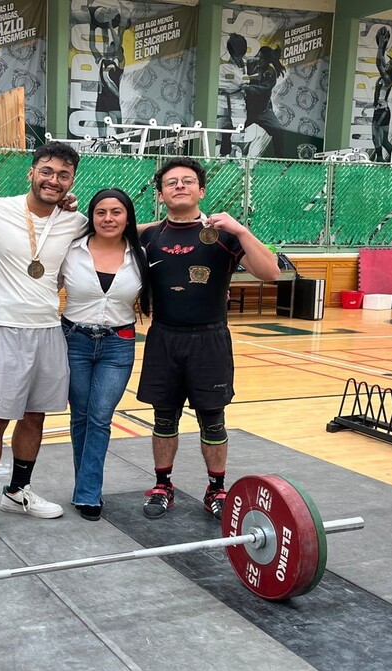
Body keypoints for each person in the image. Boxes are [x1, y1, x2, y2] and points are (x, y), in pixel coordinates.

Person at [136, 157, 280, 520]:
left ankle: (217, 488)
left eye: (188, 181)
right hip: (164, 339)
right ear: (161, 193)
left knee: (212, 420)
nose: (180, 186)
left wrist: (242, 230)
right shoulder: (149, 235)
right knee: (163, 419)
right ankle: (162, 484)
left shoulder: (226, 234)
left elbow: (271, 273)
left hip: (209, 339)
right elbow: (106, 227)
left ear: (201, 190)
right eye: (171, 182)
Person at [0, 142, 90, 536]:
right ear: (31, 172)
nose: (54, 180)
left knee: (36, 416)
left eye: (63, 175)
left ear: (71, 182)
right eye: (47, 171)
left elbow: (120, 228)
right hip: (3, 328)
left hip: (50, 330)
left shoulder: (76, 221)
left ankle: (18, 490)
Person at [60, 188, 149, 520]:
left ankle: (87, 493)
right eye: (101, 212)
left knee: (100, 417)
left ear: (127, 216)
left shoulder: (141, 254)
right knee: (81, 416)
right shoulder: (72, 251)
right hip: (74, 340)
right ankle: (86, 488)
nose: (108, 219)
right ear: (91, 216)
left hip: (118, 343)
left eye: (116, 212)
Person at [87, 3, 126, 142]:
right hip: (101, 102)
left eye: (113, 47)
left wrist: (110, 25)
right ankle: (102, 156)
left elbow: (117, 44)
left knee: (119, 132)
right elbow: (91, 45)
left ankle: (126, 157)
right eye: (110, 46)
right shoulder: (102, 60)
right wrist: (93, 26)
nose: (111, 48)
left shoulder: (119, 63)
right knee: (101, 135)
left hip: (114, 102)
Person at [243, 44, 286, 158]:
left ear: (267, 60)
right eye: (258, 56)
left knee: (278, 131)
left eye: (261, 58)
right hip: (247, 110)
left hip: (263, 111)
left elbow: (265, 89)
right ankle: (225, 156)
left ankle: (280, 160)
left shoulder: (270, 72)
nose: (258, 59)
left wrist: (248, 88)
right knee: (232, 128)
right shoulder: (251, 63)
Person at [372, 27, 392, 162]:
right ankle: (390, 161)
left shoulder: (387, 79)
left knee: (378, 138)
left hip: (382, 112)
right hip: (381, 110)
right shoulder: (387, 77)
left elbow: (379, 63)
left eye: (390, 64)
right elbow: (382, 62)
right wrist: (382, 45)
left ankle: (386, 160)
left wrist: (380, 47)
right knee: (380, 140)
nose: (387, 63)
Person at [217, 33, 249, 158]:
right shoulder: (225, 67)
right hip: (229, 105)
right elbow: (243, 82)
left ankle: (228, 160)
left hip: (235, 105)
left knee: (235, 135)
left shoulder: (243, 66)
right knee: (225, 136)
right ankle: (224, 160)